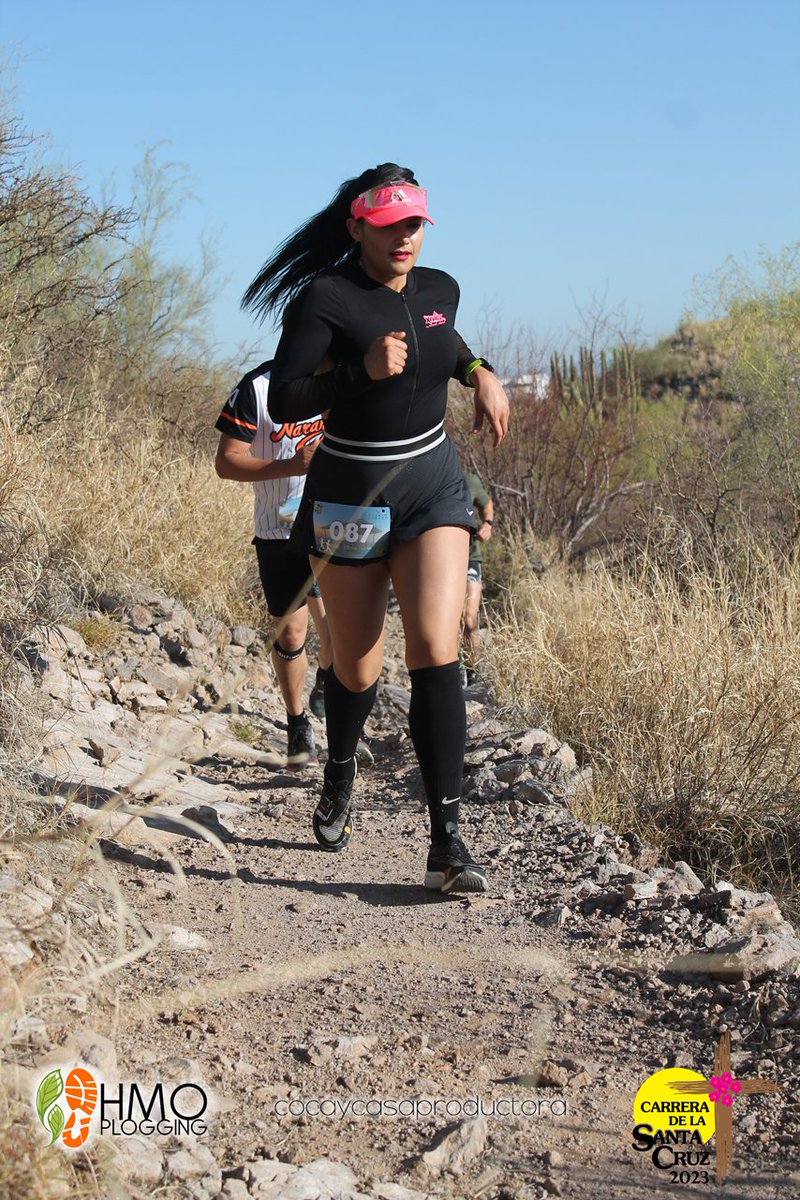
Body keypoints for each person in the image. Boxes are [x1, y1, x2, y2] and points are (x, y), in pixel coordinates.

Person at [242, 163, 508, 893]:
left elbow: (441, 338)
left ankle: (447, 844)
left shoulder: (440, 288)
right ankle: (339, 769)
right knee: (357, 670)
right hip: (351, 496)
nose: (405, 237)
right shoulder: (325, 297)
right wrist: (357, 372)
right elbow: (287, 398)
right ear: (358, 226)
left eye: (415, 223)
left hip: (432, 486)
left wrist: (479, 370)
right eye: (390, 225)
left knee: (435, 650)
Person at [214, 361, 331, 764]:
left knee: (337, 631)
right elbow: (226, 462)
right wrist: (292, 465)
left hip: (333, 525)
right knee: (292, 635)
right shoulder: (257, 387)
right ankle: (297, 723)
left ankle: (341, 719)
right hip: (278, 529)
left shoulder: (344, 376)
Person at [461, 468, 494, 685]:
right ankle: (453, 667)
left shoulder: (468, 479)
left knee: (469, 617)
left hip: (469, 556)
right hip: (439, 559)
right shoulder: (428, 477)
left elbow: (486, 502)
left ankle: (472, 669)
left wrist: (487, 524)